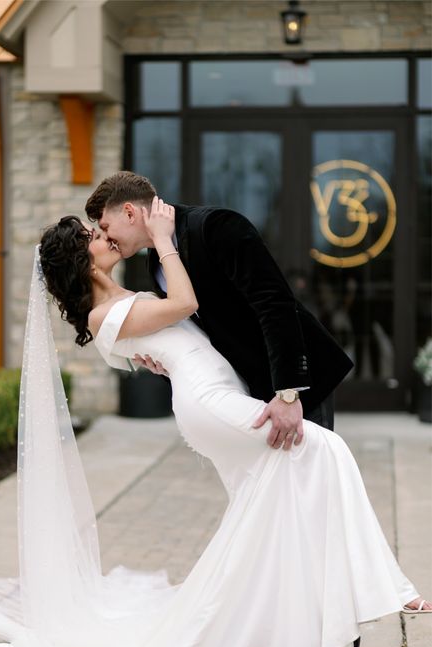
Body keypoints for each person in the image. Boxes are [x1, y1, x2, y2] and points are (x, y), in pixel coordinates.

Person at [0, 200, 429, 647]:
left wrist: (161, 349)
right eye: (93, 236)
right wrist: (163, 238)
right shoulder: (105, 312)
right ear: (83, 262)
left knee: (279, 510)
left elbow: (181, 333)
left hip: (218, 394)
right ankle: (384, 589)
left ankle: (309, 643)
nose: (104, 236)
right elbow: (185, 304)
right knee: (324, 451)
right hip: (211, 405)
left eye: (101, 227)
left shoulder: (122, 300)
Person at [85, 172, 354, 446]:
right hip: (252, 393)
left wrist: (288, 393)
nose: (107, 238)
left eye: (106, 227)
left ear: (130, 212)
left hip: (299, 387)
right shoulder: (156, 263)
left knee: (311, 477)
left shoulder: (217, 226)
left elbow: (274, 303)